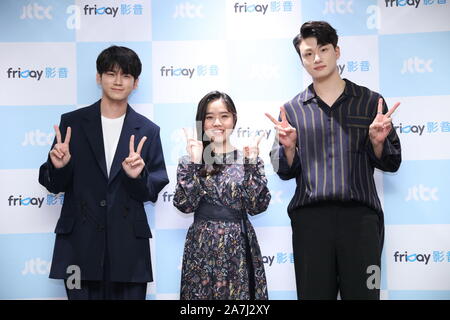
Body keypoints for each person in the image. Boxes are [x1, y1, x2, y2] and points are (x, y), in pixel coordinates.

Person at [265, 21, 401, 300]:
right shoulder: (291, 110)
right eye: (307, 54)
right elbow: (283, 170)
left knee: (366, 295)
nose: (316, 58)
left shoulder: (370, 102)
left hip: (362, 221)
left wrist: (378, 142)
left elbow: (392, 162)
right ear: (301, 60)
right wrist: (288, 148)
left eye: (323, 49)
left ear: (337, 51)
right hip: (310, 224)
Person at [38, 46, 169, 300]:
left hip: (129, 250)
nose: (118, 81)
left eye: (126, 76)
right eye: (111, 73)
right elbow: (52, 183)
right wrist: (59, 166)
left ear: (136, 82)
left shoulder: (148, 130)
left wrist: (137, 177)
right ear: (99, 78)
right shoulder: (72, 123)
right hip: (78, 248)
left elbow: (153, 188)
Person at [173, 91, 271, 300]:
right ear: (202, 122)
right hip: (202, 245)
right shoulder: (188, 160)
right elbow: (184, 204)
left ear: (234, 119)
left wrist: (251, 164)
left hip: (239, 244)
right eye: (209, 117)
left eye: (224, 116)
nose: (217, 122)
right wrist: (195, 162)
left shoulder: (247, 158)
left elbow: (257, 206)